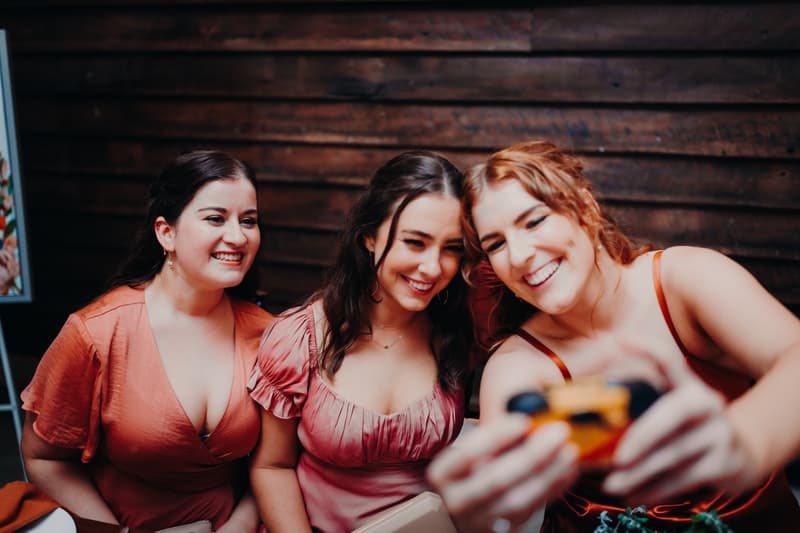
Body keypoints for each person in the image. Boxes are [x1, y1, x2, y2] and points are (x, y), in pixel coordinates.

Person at [428, 140, 800, 532]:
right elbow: (505, 480)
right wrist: (487, 502)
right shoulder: (516, 366)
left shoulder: (686, 280)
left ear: (584, 207)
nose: (518, 255)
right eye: (496, 244)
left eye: (534, 221)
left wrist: (746, 440)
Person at [20, 150, 273, 532]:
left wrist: (238, 526)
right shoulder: (97, 333)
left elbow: (277, 461)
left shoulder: (269, 335)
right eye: (215, 219)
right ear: (165, 232)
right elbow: (45, 458)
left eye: (248, 221)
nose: (237, 237)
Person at [248, 151, 474, 532]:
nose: (434, 268)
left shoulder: (458, 333)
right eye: (415, 242)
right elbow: (272, 466)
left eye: (452, 248)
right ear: (369, 237)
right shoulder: (300, 339)